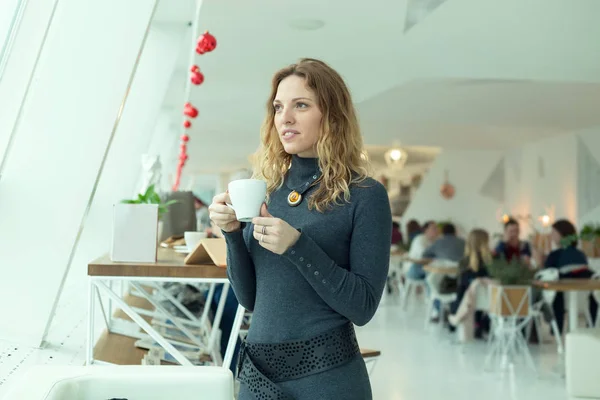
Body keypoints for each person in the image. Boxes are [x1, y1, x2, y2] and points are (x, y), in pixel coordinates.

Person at [209, 58, 391, 400]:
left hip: (327, 381)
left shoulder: (365, 195)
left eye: (301, 105)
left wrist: (297, 246)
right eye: (279, 107)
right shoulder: (268, 191)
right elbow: (250, 299)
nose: (285, 118)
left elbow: (363, 307)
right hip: (258, 379)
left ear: (332, 116)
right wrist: (232, 234)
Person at [542, 219, 598, 334]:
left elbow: (546, 273)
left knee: (554, 287)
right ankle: (592, 325)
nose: (551, 236)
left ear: (563, 235)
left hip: (562, 293)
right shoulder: (580, 254)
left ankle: (557, 328)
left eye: (553, 233)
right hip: (584, 294)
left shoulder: (555, 255)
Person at [449, 229, 492, 337]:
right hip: (489, 301)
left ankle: (457, 319)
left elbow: (461, 287)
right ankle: (480, 324)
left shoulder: (464, 263)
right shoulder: (491, 262)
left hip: (467, 302)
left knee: (457, 298)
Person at [422, 223, 466, 319]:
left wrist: (437, 257)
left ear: (442, 232)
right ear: (455, 232)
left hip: (440, 277)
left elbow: (425, 254)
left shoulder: (439, 242)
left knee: (430, 280)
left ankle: (437, 310)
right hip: (458, 277)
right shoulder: (463, 242)